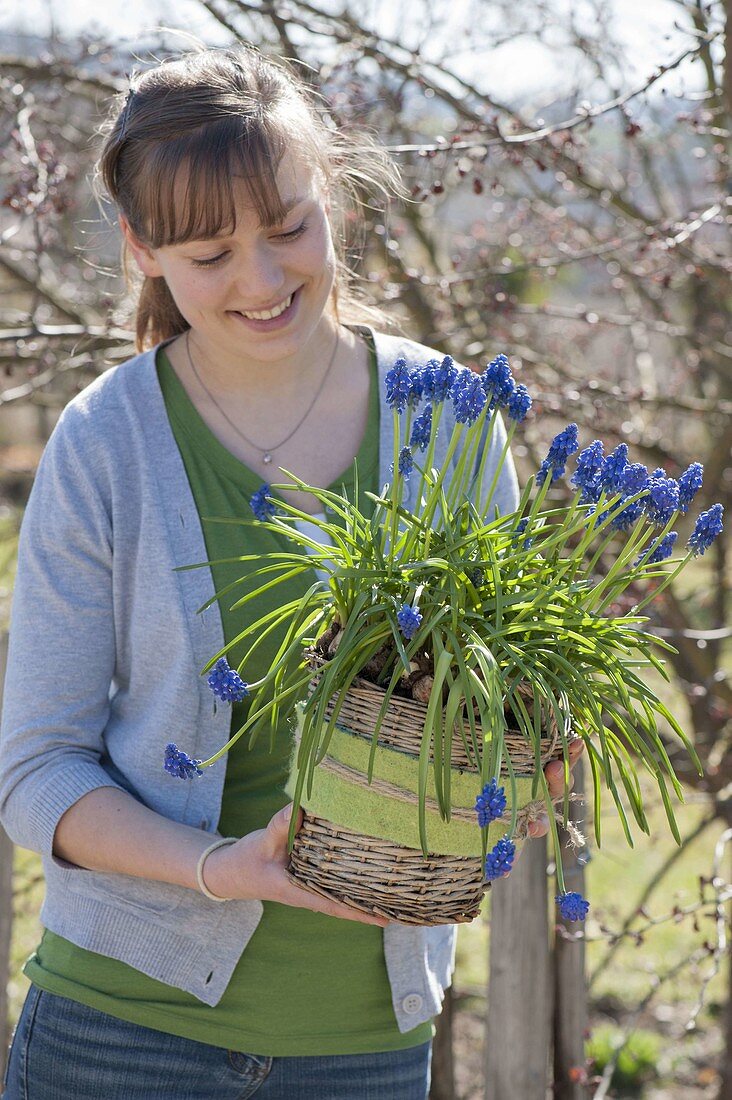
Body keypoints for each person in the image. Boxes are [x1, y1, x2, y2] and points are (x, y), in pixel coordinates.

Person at [0, 44, 583, 1100]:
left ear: (336, 201)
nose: (263, 281)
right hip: (121, 1032)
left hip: (362, 1042)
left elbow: (508, 696)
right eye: (211, 253)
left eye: (287, 229)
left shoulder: (443, 417)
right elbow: (37, 770)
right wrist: (220, 866)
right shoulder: (106, 443)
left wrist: (515, 763)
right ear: (141, 249)